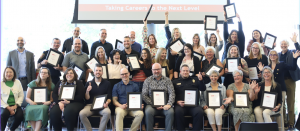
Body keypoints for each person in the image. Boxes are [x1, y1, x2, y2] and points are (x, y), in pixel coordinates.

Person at [259, 49, 300, 129]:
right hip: (271, 90)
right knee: (271, 108)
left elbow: (293, 67)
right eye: (271, 55)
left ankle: (280, 128)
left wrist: (295, 59)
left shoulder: (281, 64)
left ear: (277, 56)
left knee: (280, 107)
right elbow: (264, 77)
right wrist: (261, 71)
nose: (272, 56)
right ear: (269, 56)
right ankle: (273, 127)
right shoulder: (267, 66)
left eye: (274, 55)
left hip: (281, 89)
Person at [142, 63, 175, 131]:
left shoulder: (167, 80)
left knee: (170, 112)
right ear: (152, 70)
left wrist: (169, 104)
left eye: (158, 69)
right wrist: (153, 104)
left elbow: (172, 93)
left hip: (165, 105)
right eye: (154, 70)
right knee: (148, 112)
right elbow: (144, 95)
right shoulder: (147, 80)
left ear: (161, 69)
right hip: (151, 105)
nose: (156, 71)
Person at [79, 64, 112, 131]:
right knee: (82, 114)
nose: (98, 72)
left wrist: (107, 103)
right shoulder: (88, 83)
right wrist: (87, 91)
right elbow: (87, 98)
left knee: (107, 112)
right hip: (90, 106)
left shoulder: (107, 83)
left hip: (102, 106)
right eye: (96, 70)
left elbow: (109, 97)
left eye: (100, 70)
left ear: (102, 73)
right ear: (93, 72)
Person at [173, 65, 206, 130]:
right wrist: (177, 101)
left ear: (189, 72)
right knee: (178, 112)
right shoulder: (175, 82)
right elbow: (172, 94)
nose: (185, 72)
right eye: (184, 71)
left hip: (193, 106)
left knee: (199, 112)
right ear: (180, 72)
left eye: (187, 71)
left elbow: (203, 89)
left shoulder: (195, 79)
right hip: (181, 105)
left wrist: (201, 80)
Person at [278, 33, 300, 129]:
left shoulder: (292, 52)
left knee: (290, 102)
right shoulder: (277, 55)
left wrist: (295, 42)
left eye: (285, 44)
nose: (283, 45)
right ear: (280, 46)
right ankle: (284, 122)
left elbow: (299, 51)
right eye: (282, 44)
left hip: (290, 80)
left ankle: (291, 123)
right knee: (281, 103)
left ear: (288, 45)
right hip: (280, 82)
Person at [1, 67, 24, 131]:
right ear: (4, 73)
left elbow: (21, 95)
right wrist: (9, 108)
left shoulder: (17, 82)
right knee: (3, 114)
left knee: (20, 116)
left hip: (16, 105)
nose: (8, 74)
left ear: (14, 74)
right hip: (4, 106)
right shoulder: (1, 83)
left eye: (10, 72)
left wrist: (15, 106)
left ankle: (11, 129)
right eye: (7, 72)